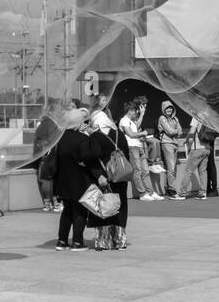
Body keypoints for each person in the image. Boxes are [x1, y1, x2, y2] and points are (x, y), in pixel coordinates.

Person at [52, 107, 106, 251]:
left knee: (67, 210)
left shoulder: (60, 138)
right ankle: (77, 242)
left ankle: (62, 241)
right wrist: (92, 135)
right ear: (78, 123)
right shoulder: (82, 139)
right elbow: (91, 156)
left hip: (63, 180)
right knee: (80, 211)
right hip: (79, 180)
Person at [87, 104, 131, 250]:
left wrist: (98, 175)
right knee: (120, 206)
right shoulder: (119, 134)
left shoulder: (95, 136)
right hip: (121, 176)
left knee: (104, 207)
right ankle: (120, 241)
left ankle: (104, 242)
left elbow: (93, 158)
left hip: (104, 178)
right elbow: (127, 154)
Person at [119, 99, 160, 202]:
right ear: (129, 110)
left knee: (145, 171)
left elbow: (136, 129)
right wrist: (143, 133)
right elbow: (131, 134)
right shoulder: (124, 120)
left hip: (139, 146)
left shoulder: (132, 121)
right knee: (137, 171)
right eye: (134, 110)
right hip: (132, 147)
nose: (136, 112)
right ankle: (142, 194)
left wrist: (142, 114)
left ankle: (151, 192)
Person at [175, 109, 213, 199]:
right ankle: (203, 193)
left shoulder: (197, 117)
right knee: (203, 172)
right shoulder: (209, 118)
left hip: (197, 149)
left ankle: (181, 193)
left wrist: (186, 138)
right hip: (207, 148)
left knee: (188, 171)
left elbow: (192, 132)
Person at [156, 102, 183, 199]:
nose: (169, 110)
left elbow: (181, 130)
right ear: (163, 109)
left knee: (173, 168)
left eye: (170, 108)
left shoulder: (175, 118)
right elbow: (169, 131)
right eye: (167, 108)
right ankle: (172, 190)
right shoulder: (162, 118)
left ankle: (169, 188)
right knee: (171, 168)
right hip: (167, 143)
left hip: (175, 143)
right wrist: (176, 131)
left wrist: (176, 132)